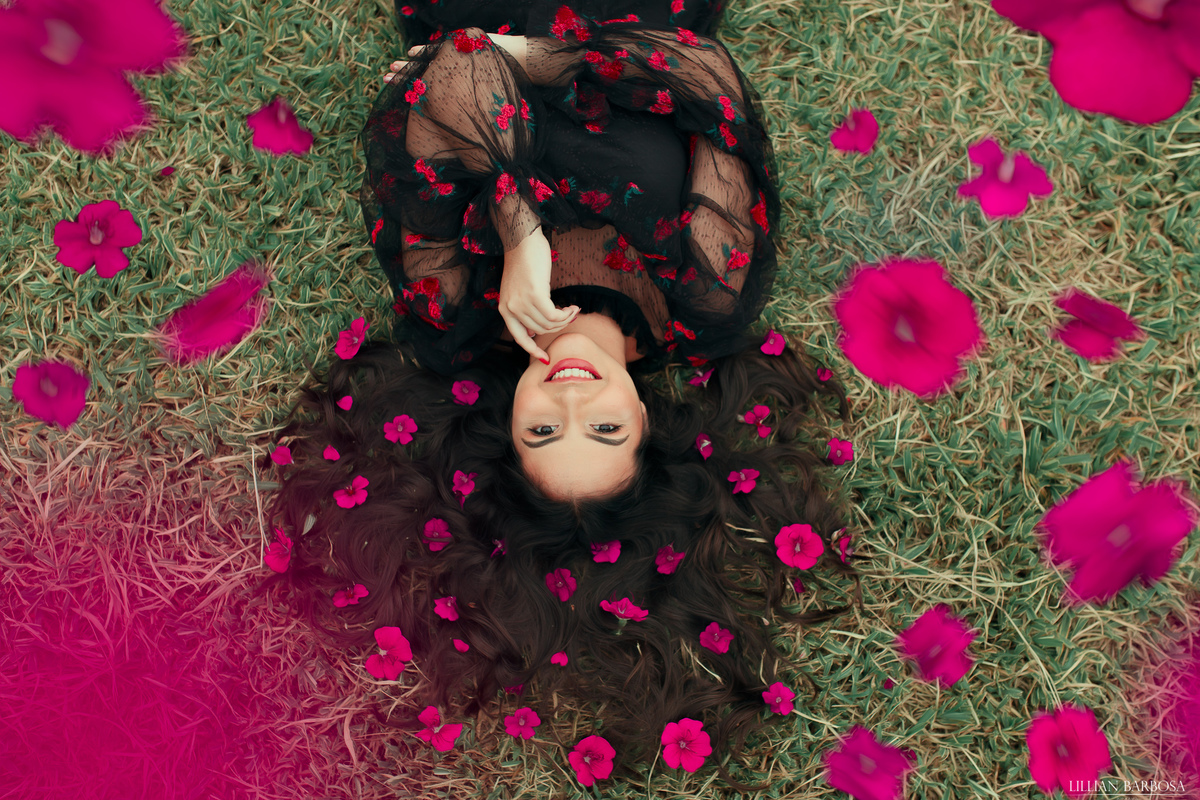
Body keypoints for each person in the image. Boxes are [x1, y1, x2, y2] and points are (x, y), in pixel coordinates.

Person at [264, 0, 860, 780]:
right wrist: (525, 58)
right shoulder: (710, 294)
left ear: (506, 427)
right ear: (645, 418)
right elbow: (711, 83)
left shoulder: (451, 306)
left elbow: (458, 63)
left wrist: (518, 230)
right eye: (605, 432)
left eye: (543, 433)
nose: (571, 402)